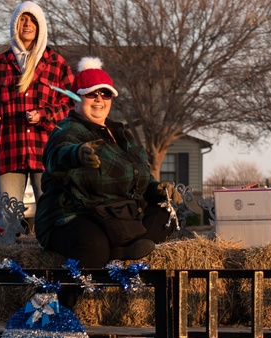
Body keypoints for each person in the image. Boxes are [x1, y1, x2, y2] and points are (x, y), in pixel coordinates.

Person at [34, 57, 180, 268]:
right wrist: (77, 154)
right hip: (71, 215)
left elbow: (140, 175)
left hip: (113, 213)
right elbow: (55, 157)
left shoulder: (121, 133)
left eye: (106, 94)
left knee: (164, 213)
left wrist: (156, 188)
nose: (99, 100)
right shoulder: (66, 130)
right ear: (76, 99)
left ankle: (122, 248)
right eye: (91, 94)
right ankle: (61, 299)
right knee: (94, 246)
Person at [0, 1, 73, 229]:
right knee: (7, 221)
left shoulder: (57, 64)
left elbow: (70, 105)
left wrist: (44, 115)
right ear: (14, 25)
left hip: (47, 152)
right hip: (9, 150)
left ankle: (53, 259)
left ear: (41, 26)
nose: (27, 24)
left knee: (53, 216)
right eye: (22, 19)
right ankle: (7, 262)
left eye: (32, 20)